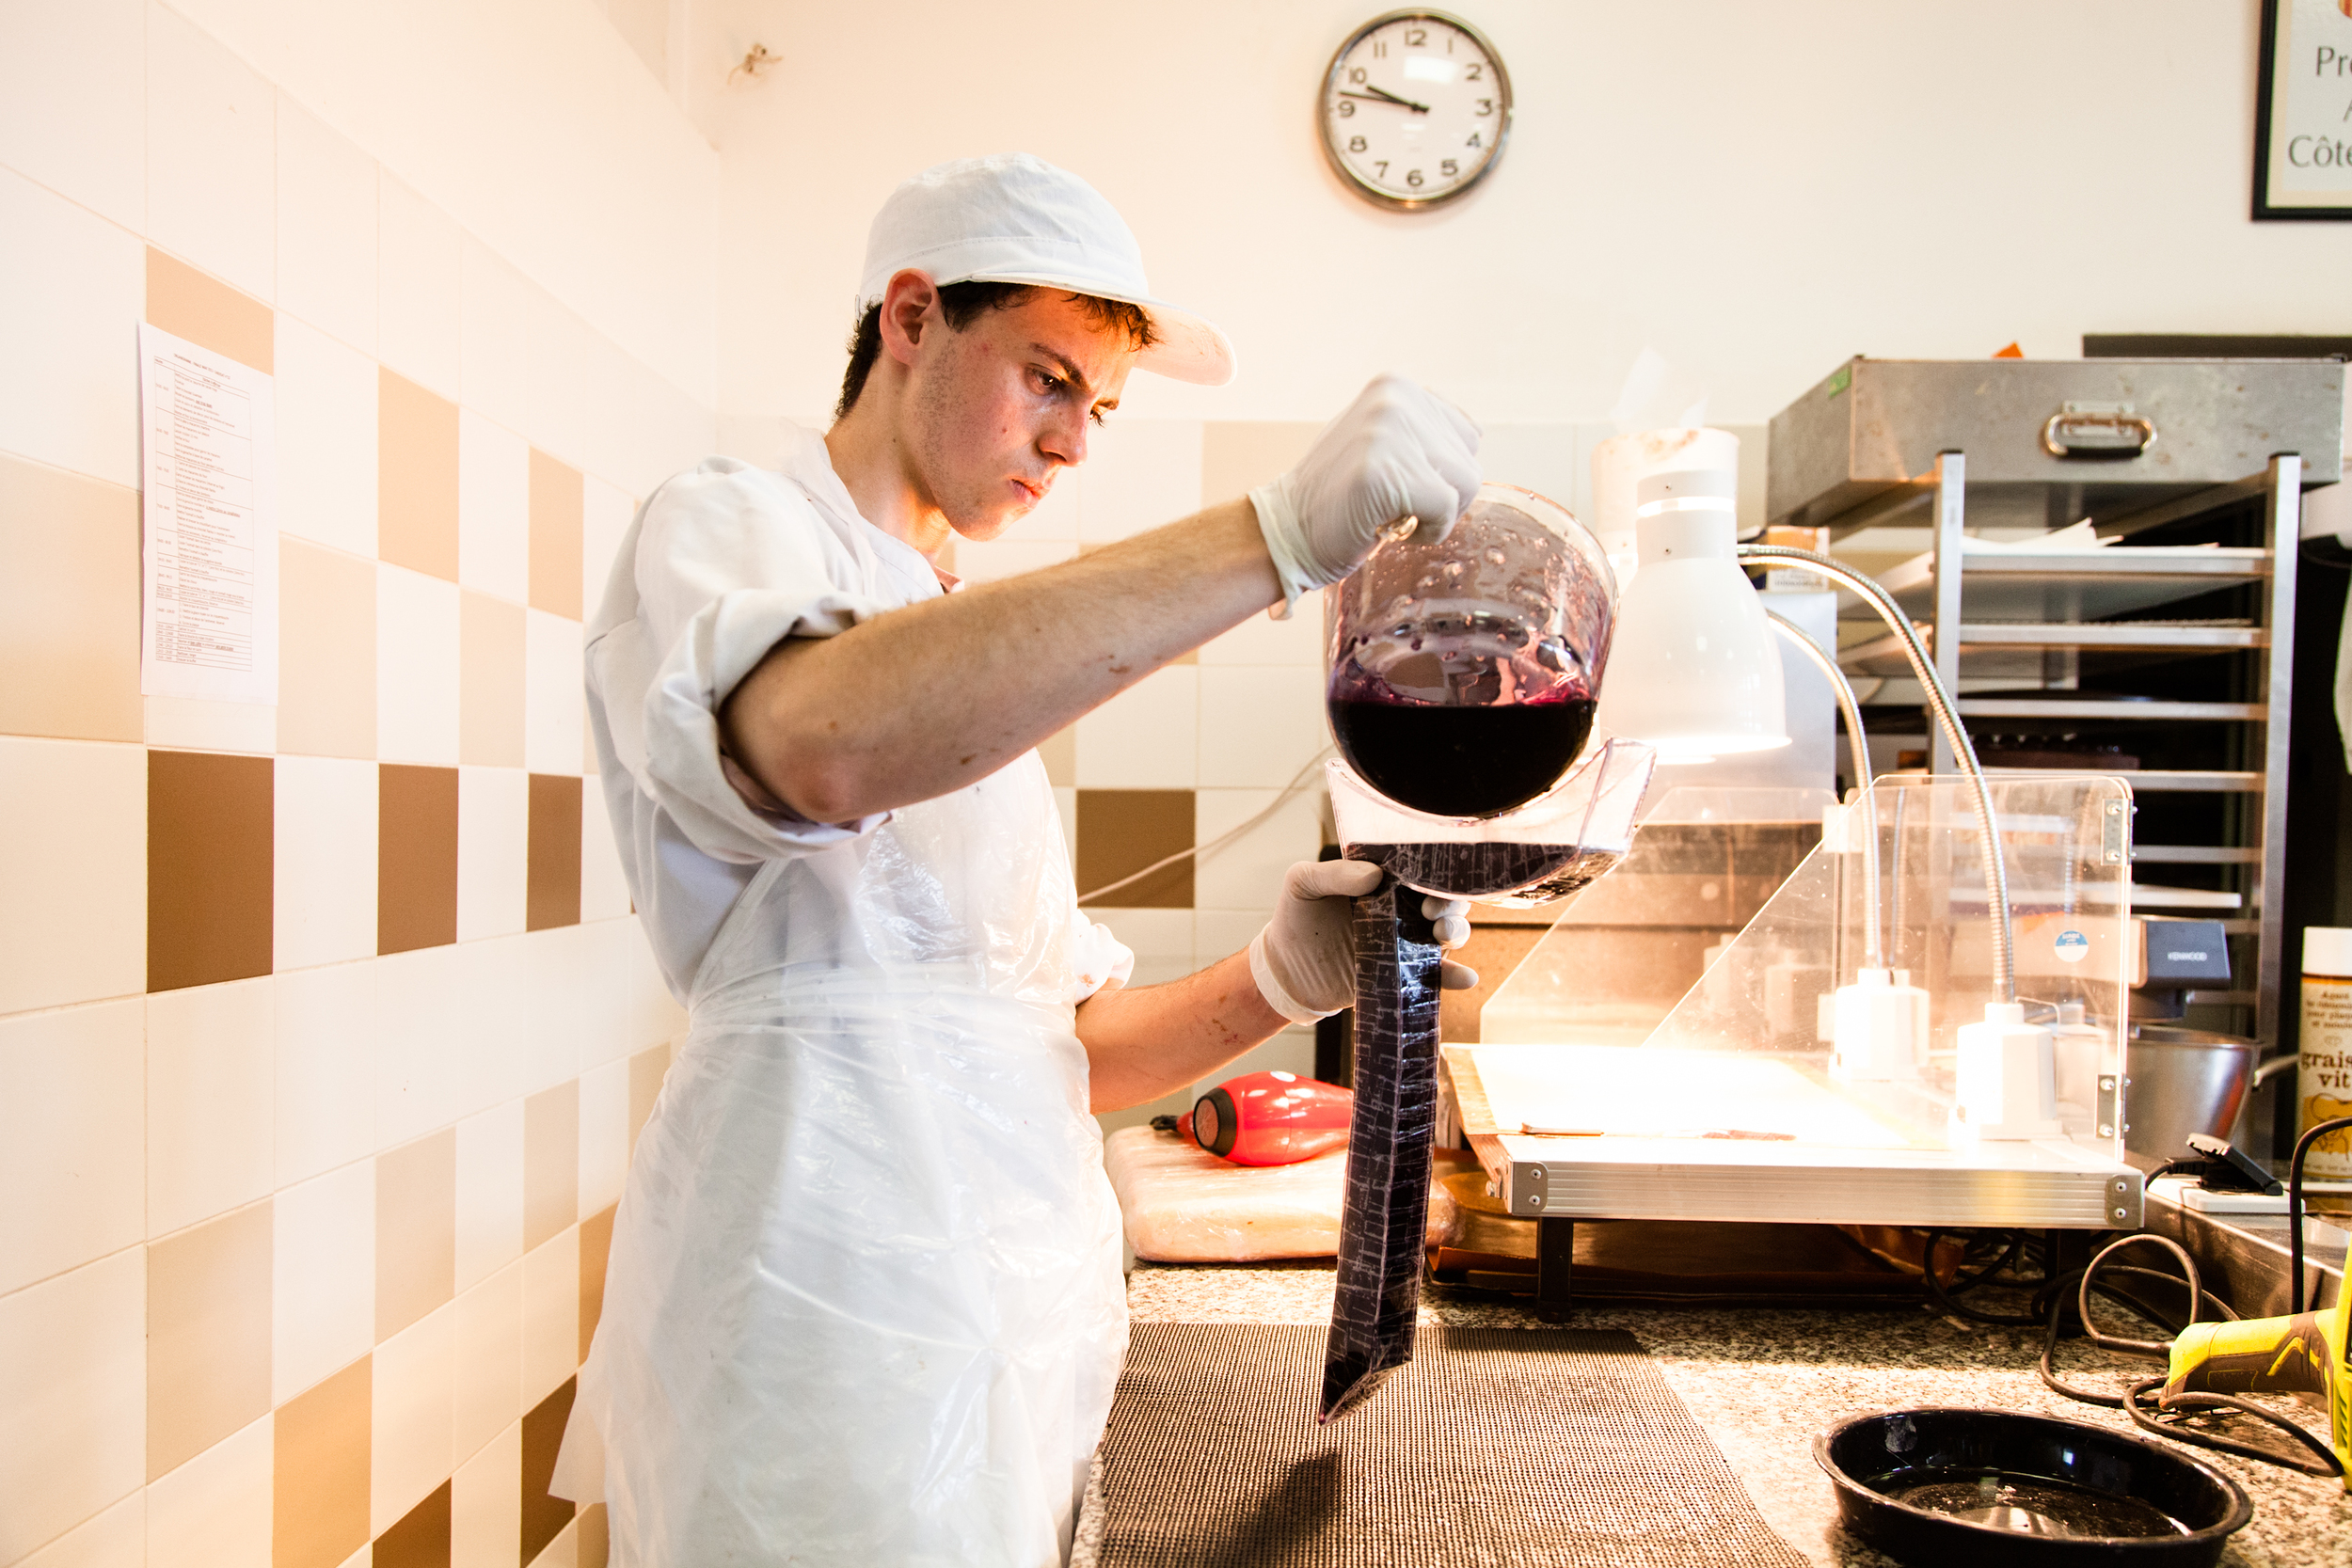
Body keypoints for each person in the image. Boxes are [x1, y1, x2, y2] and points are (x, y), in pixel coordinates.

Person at [554, 152, 1483, 1566]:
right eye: (1049, 379)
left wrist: (1286, 977)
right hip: (821, 1319)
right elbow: (822, 742)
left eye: (1098, 409)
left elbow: (1051, 1050)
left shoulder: (936, 617)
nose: (1072, 446)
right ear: (912, 319)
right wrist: (1275, 537)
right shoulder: (735, 524)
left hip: (1011, 1332)